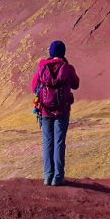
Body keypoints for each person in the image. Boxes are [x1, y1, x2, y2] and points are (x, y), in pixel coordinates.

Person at [31, 40, 80, 186]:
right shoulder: (67, 68)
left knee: (48, 142)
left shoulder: (42, 67)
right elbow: (76, 84)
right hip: (63, 110)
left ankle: (47, 176)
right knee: (59, 142)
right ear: (63, 52)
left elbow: (34, 87)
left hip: (45, 110)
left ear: (50, 53)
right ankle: (58, 177)